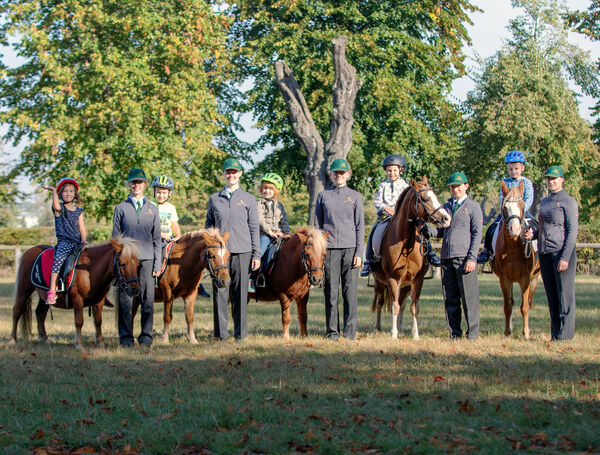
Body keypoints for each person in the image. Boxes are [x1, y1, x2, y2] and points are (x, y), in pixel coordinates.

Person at [205, 158, 260, 342]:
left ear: (240, 174)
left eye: (234, 172)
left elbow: (254, 228)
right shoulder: (214, 199)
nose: (231, 175)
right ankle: (221, 335)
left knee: (240, 293)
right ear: (224, 174)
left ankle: (240, 335)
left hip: (243, 251)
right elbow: (208, 229)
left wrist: (256, 254)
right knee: (220, 292)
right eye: (228, 172)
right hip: (220, 255)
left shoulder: (248, 199)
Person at [361, 154, 440, 277]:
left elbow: (409, 202)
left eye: (394, 170)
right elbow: (377, 202)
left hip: (403, 217)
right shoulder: (383, 185)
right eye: (389, 170)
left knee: (421, 228)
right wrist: (386, 208)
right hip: (386, 216)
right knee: (374, 231)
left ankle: (430, 253)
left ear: (401, 170)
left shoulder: (406, 186)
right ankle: (369, 261)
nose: (391, 173)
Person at [524, 166, 578, 340]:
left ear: (562, 180)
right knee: (552, 295)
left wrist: (565, 257)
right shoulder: (545, 202)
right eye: (548, 178)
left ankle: (566, 335)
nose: (551, 181)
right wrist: (534, 233)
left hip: (561, 252)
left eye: (554, 178)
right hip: (545, 253)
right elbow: (543, 227)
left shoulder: (569, 202)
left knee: (565, 296)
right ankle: (556, 334)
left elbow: (572, 231)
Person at [427, 172, 483, 340]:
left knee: (469, 298)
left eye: (458, 186)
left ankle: (472, 334)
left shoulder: (473, 208)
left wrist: (472, 258)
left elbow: (476, 234)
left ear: (466, 186)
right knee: (450, 298)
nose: (455, 189)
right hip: (446, 257)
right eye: (452, 186)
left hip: (464, 258)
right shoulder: (446, 206)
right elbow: (439, 231)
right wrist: (425, 228)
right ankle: (455, 334)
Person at [314, 158, 364, 340]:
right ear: (331, 175)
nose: (339, 176)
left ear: (347, 175)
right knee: (331, 292)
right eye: (336, 173)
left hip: (350, 249)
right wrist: (320, 252)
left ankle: (349, 332)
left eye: (342, 173)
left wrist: (359, 253)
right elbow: (317, 226)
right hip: (330, 250)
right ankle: (332, 332)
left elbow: (360, 226)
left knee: (349, 293)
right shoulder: (323, 196)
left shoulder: (355, 196)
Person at [113, 168, 161, 347]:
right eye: (133, 182)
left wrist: (157, 263)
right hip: (127, 260)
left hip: (147, 259)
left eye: (139, 182)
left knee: (147, 299)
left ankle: (146, 336)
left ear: (145, 185)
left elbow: (156, 238)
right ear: (129, 184)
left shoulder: (152, 209)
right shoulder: (121, 208)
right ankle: (125, 338)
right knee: (126, 299)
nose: (136, 185)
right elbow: (116, 238)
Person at [151, 175, 210, 298]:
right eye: (158, 192)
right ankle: (155, 280)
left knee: (187, 254)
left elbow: (174, 224)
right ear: (154, 192)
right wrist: (161, 234)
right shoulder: (150, 206)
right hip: (155, 239)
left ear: (169, 193)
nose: (161, 195)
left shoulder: (171, 208)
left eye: (164, 193)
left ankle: (197, 285)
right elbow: (149, 225)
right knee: (157, 254)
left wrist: (177, 236)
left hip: (170, 238)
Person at [478, 150, 534, 263]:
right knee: (492, 228)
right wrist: (505, 209)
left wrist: (521, 210)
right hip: (507, 212)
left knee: (536, 226)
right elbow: (501, 198)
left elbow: (529, 198)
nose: (513, 171)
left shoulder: (526, 182)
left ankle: (538, 251)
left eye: (516, 168)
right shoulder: (505, 182)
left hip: (522, 211)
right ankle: (487, 251)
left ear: (522, 168)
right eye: (510, 169)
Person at [42, 178, 87, 305]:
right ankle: (52, 290)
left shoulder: (79, 211)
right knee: (59, 259)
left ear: (75, 194)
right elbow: (56, 206)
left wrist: (83, 240)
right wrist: (53, 192)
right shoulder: (59, 209)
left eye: (71, 191)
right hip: (64, 243)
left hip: (77, 243)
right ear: (61, 193)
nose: (68, 193)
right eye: (65, 191)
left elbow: (82, 228)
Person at [255, 173, 290, 287]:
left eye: (270, 189)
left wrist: (286, 233)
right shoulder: (259, 203)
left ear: (276, 191)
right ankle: (255, 275)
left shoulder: (280, 206)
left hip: (278, 235)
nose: (267, 191)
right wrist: (270, 232)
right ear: (261, 189)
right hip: (265, 234)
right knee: (261, 251)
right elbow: (259, 220)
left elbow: (284, 221)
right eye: (265, 188)